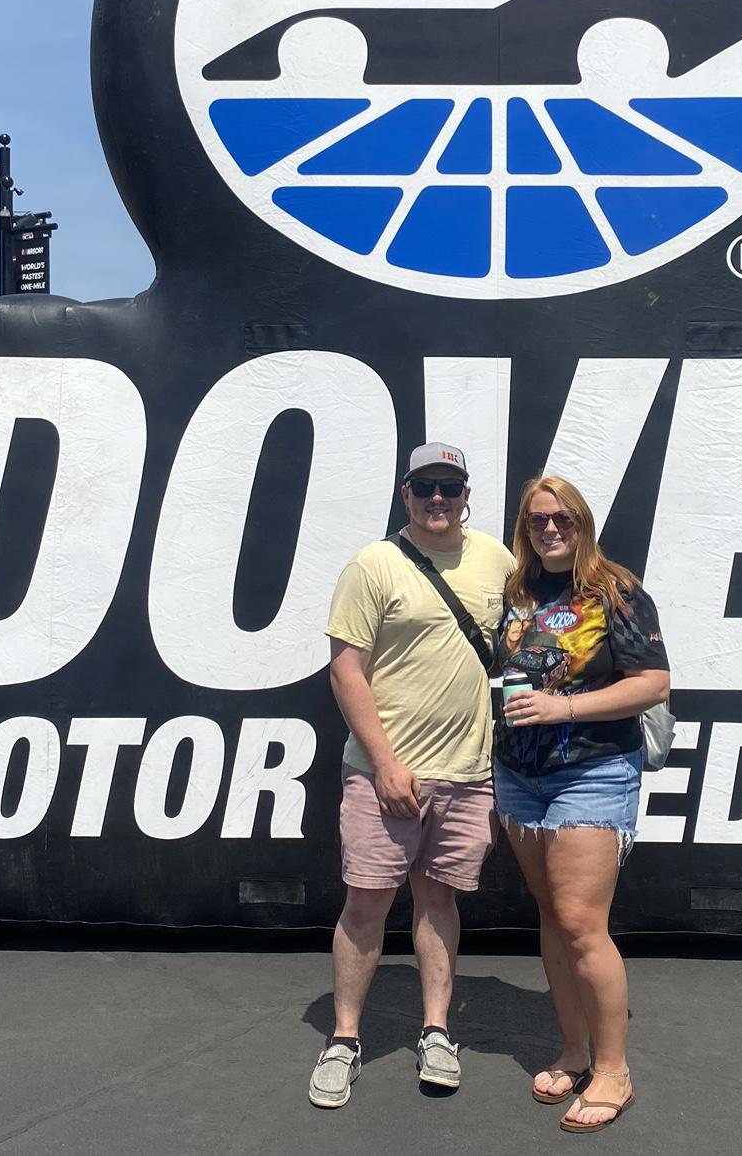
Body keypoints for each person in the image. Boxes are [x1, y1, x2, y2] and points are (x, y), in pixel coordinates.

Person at [307, 442, 515, 1110]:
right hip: (385, 777)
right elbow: (346, 671)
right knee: (366, 903)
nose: (437, 499)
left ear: (466, 495)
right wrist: (387, 765)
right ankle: (344, 1040)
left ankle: (436, 1031)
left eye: (449, 487)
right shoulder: (373, 565)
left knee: (438, 901)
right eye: (424, 487)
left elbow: (526, 649)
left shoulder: (497, 561)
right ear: (406, 495)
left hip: (468, 776)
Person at [495, 475, 670, 1133]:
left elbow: (653, 683)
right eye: (538, 519)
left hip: (592, 770)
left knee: (580, 921)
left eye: (563, 518)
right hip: (519, 773)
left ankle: (614, 1071)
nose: (550, 529)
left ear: (583, 523)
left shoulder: (615, 591)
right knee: (552, 915)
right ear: (525, 527)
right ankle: (573, 1050)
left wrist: (562, 708)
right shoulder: (515, 592)